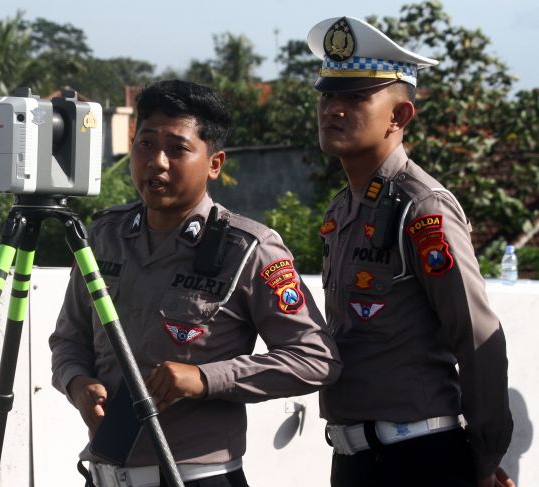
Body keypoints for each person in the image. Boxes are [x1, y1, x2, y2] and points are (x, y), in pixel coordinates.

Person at [50, 79, 341, 487]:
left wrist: (206, 379)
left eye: (177, 148)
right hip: (103, 474)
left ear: (214, 163)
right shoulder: (103, 237)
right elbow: (68, 340)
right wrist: (76, 383)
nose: (157, 162)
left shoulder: (250, 249)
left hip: (197, 476)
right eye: (146, 144)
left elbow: (315, 359)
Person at [306, 16, 515, 487]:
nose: (333, 109)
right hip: (356, 459)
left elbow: (478, 336)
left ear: (399, 117)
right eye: (327, 94)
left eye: (355, 97)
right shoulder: (343, 207)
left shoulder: (422, 207)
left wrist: (482, 458)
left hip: (418, 459)